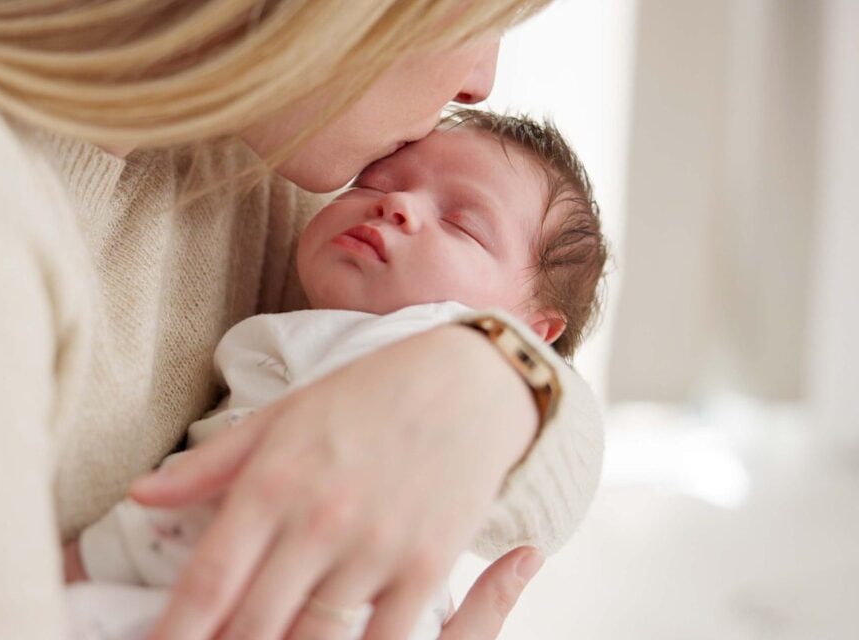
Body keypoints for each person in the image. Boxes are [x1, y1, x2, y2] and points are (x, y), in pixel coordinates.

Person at [0, 2, 603, 639]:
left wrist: (490, 372)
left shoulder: (242, 165)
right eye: (485, 13)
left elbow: (560, 467)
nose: (482, 80)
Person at [61, 111, 608, 639]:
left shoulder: (428, 337)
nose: (395, 203)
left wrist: (86, 561)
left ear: (532, 330)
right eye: (370, 185)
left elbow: (244, 493)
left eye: (461, 224)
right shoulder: (309, 283)